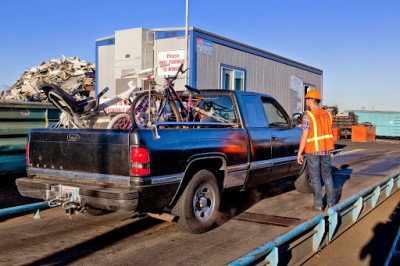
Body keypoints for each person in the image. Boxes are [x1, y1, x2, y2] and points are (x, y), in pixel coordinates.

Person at [297, 90, 335, 211]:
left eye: (306, 100)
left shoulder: (308, 117)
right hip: (326, 150)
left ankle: (318, 205)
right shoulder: (329, 115)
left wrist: (299, 152)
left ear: (311, 100)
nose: (306, 103)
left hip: (313, 150)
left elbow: (305, 136)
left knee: (315, 178)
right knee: (327, 176)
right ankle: (331, 203)